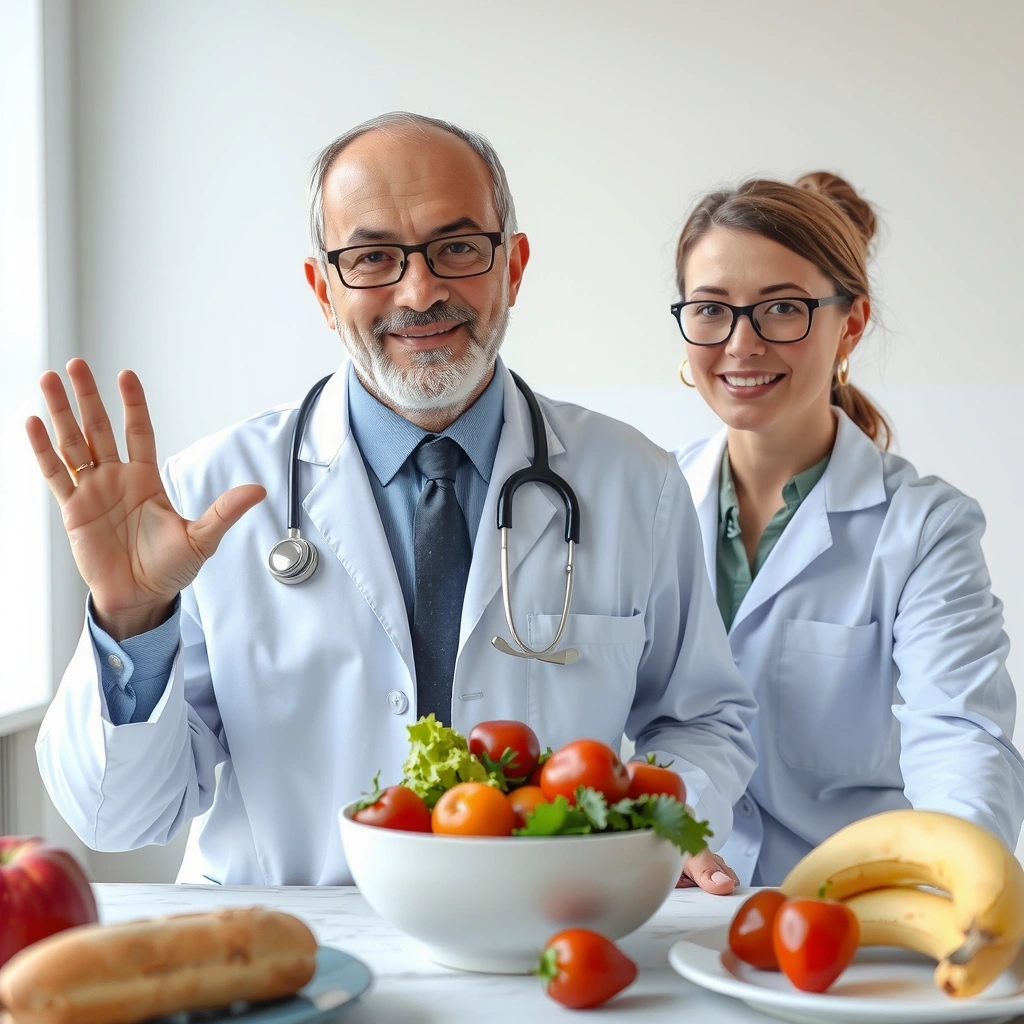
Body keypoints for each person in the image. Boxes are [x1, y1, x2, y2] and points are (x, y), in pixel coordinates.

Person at [28, 112, 756, 889]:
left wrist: (656, 823)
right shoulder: (208, 496)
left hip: (539, 940)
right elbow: (119, 816)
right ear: (322, 290)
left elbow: (702, 720)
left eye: (457, 248)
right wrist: (130, 621)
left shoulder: (633, 482)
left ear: (513, 267)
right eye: (372, 256)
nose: (420, 290)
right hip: (288, 957)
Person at [672, 171, 1024, 886]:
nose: (741, 343)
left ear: (850, 325)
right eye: (712, 310)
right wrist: (654, 827)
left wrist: (958, 878)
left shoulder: (924, 527)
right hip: (673, 899)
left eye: (782, 309)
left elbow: (959, 735)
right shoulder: (647, 500)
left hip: (852, 910)